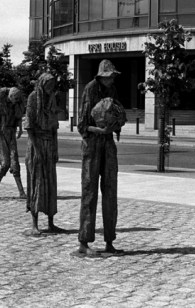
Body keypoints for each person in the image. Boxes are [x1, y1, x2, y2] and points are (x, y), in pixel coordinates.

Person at [77, 59, 126, 256]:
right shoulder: (90, 89)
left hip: (108, 145)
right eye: (109, 76)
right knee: (89, 192)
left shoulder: (112, 90)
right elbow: (82, 125)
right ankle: (84, 242)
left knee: (110, 191)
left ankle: (109, 241)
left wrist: (115, 127)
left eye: (113, 76)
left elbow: (116, 114)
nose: (112, 79)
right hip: (92, 145)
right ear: (101, 76)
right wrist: (100, 129)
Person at [25, 73, 63, 235]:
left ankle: (51, 222)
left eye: (52, 84)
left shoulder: (52, 99)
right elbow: (29, 126)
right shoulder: (33, 97)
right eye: (48, 84)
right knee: (37, 182)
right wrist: (37, 150)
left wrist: (55, 148)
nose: (50, 87)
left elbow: (54, 128)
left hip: (49, 144)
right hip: (37, 146)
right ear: (41, 83)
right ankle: (34, 224)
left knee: (50, 184)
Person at [0, 87, 26, 199]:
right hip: (0, 132)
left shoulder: (17, 105)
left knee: (15, 163)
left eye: (18, 98)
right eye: (14, 97)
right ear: (10, 96)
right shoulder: (0, 102)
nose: (16, 100)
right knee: (5, 164)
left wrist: (20, 129)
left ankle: (21, 192)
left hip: (11, 133)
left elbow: (18, 118)